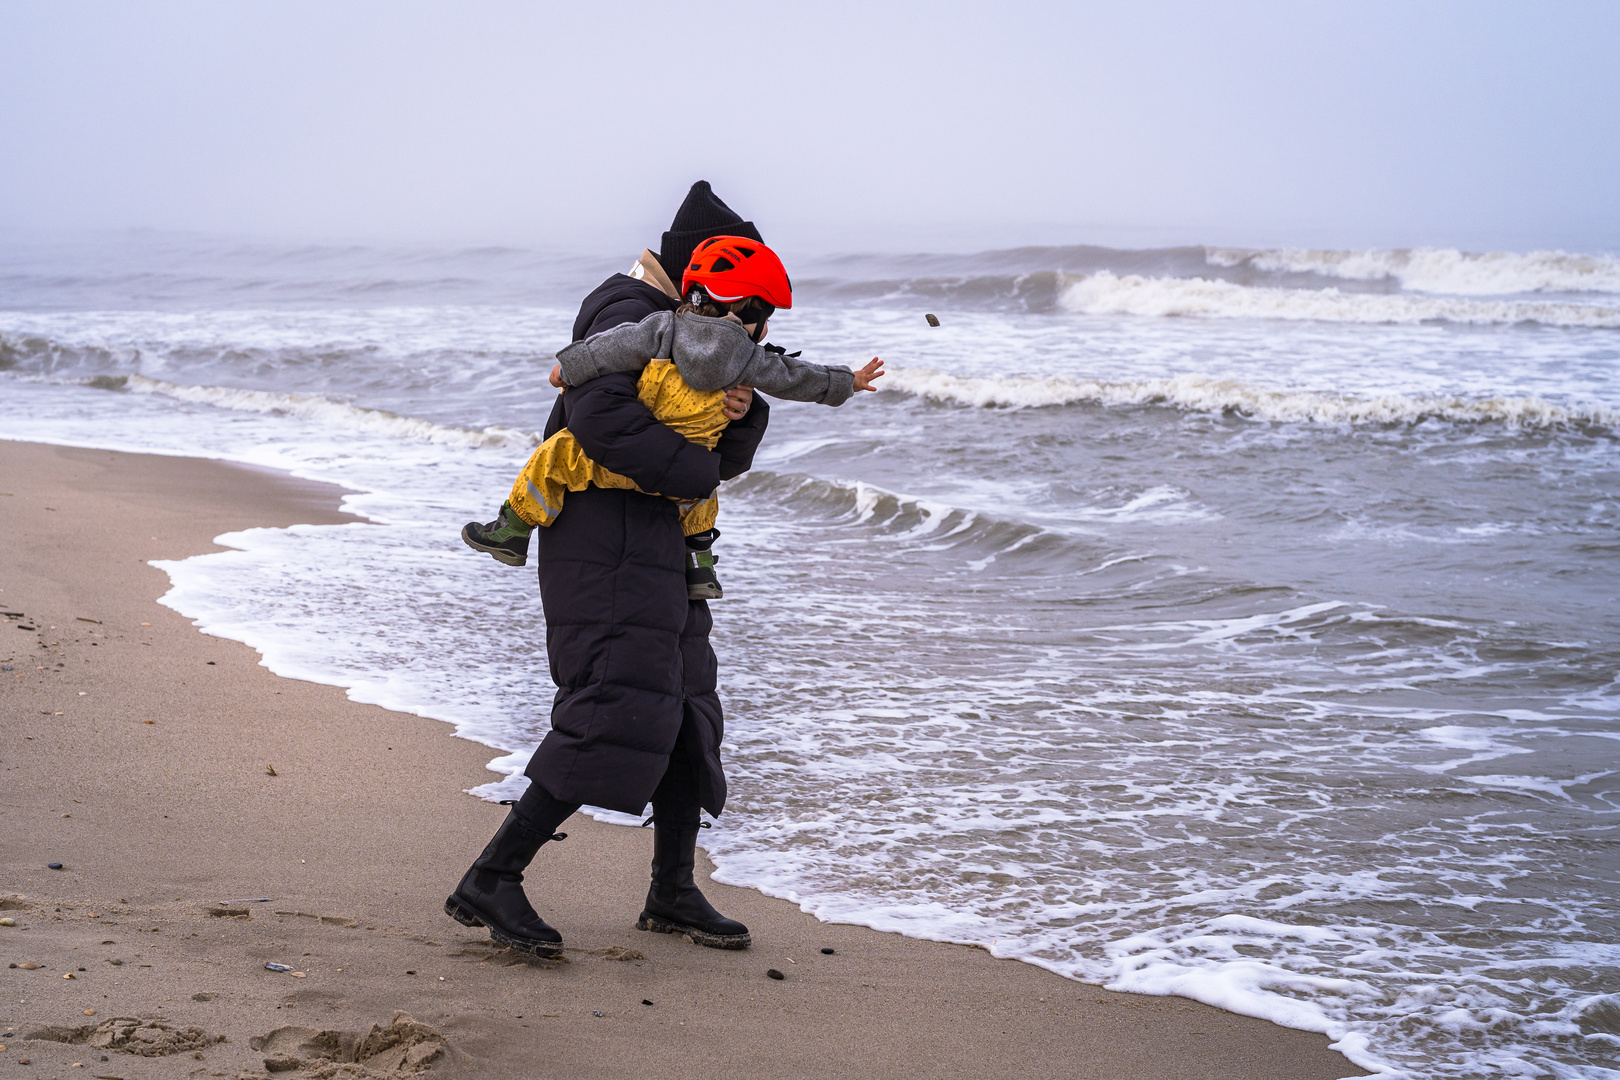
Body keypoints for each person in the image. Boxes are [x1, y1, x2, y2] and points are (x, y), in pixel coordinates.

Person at [445, 182, 810, 955]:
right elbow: (598, 419)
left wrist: (744, 416)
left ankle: (673, 891)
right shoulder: (626, 311)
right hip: (599, 531)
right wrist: (696, 475)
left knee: (683, 707)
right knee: (613, 701)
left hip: (657, 534)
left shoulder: (699, 329)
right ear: (691, 268)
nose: (739, 312)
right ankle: (493, 876)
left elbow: (716, 452)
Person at [462, 234, 884, 599]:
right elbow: (798, 378)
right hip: (684, 473)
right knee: (705, 497)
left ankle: (513, 531)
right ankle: (699, 565)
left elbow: (610, 349)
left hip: (612, 465)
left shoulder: (662, 327)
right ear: (744, 310)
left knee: (552, 457)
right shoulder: (751, 360)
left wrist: (566, 369)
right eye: (765, 317)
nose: (768, 330)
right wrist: (848, 381)